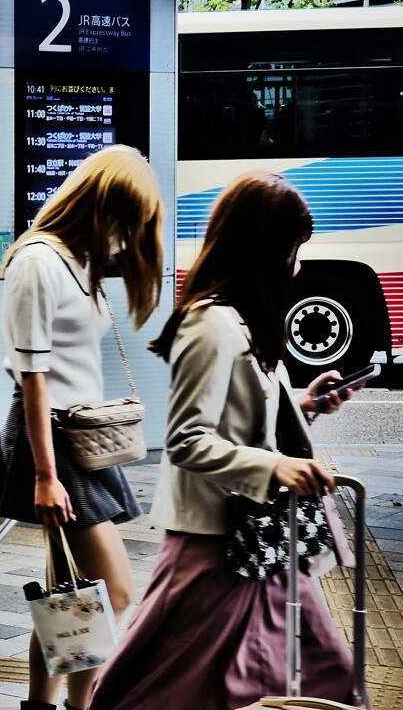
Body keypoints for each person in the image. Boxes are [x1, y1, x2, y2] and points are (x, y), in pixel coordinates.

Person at [88, 171, 365, 709]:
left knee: (312, 675)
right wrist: (275, 469)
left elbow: (246, 413)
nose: (298, 263)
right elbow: (187, 439)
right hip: (215, 547)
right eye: (292, 248)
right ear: (265, 248)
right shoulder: (210, 325)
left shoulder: (239, 321)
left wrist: (306, 401)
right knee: (175, 686)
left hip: (256, 544)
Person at [0, 145, 164, 710]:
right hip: (52, 445)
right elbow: (33, 376)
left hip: (76, 442)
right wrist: (44, 475)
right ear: (100, 205)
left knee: (71, 598)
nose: (128, 236)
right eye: (126, 220)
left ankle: (49, 706)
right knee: (112, 593)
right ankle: (78, 707)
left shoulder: (77, 260)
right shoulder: (38, 260)